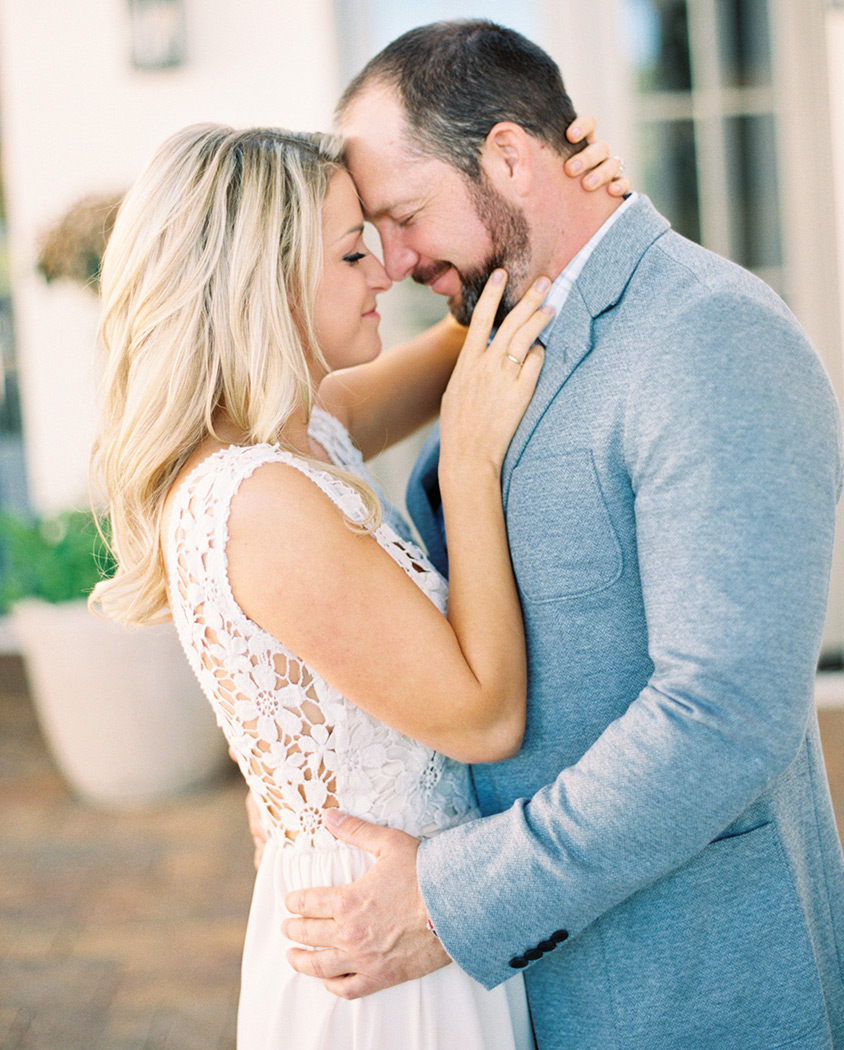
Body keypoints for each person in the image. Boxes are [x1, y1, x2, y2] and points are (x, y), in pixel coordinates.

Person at [280, 20, 844, 1050]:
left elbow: (722, 716)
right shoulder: (503, 319)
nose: (398, 259)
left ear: (510, 156)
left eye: (405, 216)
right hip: (528, 996)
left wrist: (447, 902)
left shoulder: (710, 339)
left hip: (684, 988)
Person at [89, 120, 626, 1049]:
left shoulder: (301, 432)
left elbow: (484, 335)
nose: (385, 272)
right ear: (263, 283)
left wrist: (572, 209)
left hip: (407, 909)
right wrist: (468, 464)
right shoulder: (259, 500)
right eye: (352, 252)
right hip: (380, 963)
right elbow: (485, 715)